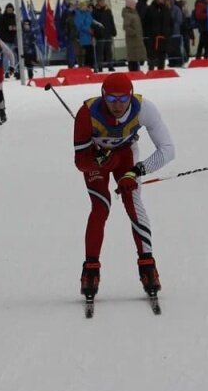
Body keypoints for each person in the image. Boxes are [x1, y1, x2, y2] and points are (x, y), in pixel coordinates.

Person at [73, 73, 175, 299]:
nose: (117, 105)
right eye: (111, 99)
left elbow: (168, 150)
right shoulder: (87, 113)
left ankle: (147, 265)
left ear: (131, 95)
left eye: (123, 99)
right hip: (97, 157)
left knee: (133, 201)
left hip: (127, 155)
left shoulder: (144, 109)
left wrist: (137, 171)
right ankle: (91, 269)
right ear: (102, 96)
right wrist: (98, 160)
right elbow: (80, 162)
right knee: (101, 206)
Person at [91, 0, 117, 72]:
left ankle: (110, 65)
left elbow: (111, 21)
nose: (103, 3)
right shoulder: (95, 11)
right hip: (100, 35)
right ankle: (100, 66)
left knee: (109, 51)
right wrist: (95, 33)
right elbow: (94, 23)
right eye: (101, 2)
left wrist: (113, 31)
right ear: (98, 2)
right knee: (100, 52)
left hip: (108, 33)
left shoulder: (108, 11)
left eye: (103, 1)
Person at [122, 0, 145, 72]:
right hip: (132, 39)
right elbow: (126, 26)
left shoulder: (134, 13)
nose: (135, 5)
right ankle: (133, 70)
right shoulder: (128, 15)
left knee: (136, 55)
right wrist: (134, 33)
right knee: (133, 56)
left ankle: (136, 69)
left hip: (137, 38)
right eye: (133, 4)